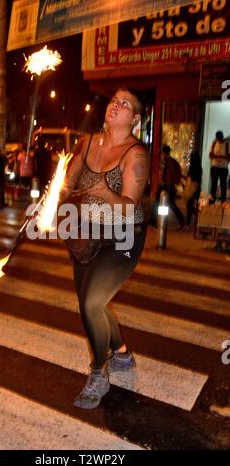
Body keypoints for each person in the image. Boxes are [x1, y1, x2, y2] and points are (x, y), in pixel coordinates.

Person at [57, 87, 149, 409]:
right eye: (114, 100)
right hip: (88, 233)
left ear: (135, 119)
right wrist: (54, 199)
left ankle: (99, 373)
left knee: (93, 302)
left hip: (124, 237)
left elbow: (127, 207)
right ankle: (122, 353)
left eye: (125, 105)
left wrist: (106, 194)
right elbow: (67, 184)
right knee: (89, 303)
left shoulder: (135, 154)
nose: (116, 106)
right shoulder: (87, 143)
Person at [152, 145, 185, 229]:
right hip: (166, 185)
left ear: (163, 152)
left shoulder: (169, 162)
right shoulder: (167, 162)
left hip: (167, 186)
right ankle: (155, 221)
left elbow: (169, 174)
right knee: (160, 203)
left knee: (169, 204)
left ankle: (157, 222)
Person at [209, 131, 229, 204]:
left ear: (222, 137)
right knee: (214, 183)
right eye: (217, 139)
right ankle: (212, 200)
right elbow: (210, 155)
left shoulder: (227, 143)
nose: (218, 140)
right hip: (214, 166)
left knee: (223, 184)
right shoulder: (214, 142)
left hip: (223, 167)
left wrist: (219, 157)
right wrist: (215, 156)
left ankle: (223, 201)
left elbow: (229, 156)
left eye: (219, 139)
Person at [183, 151, 203, 228]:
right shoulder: (199, 168)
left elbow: (191, 178)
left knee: (189, 205)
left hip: (193, 188)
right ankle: (196, 218)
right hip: (196, 189)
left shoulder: (192, 167)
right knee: (190, 205)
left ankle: (189, 221)